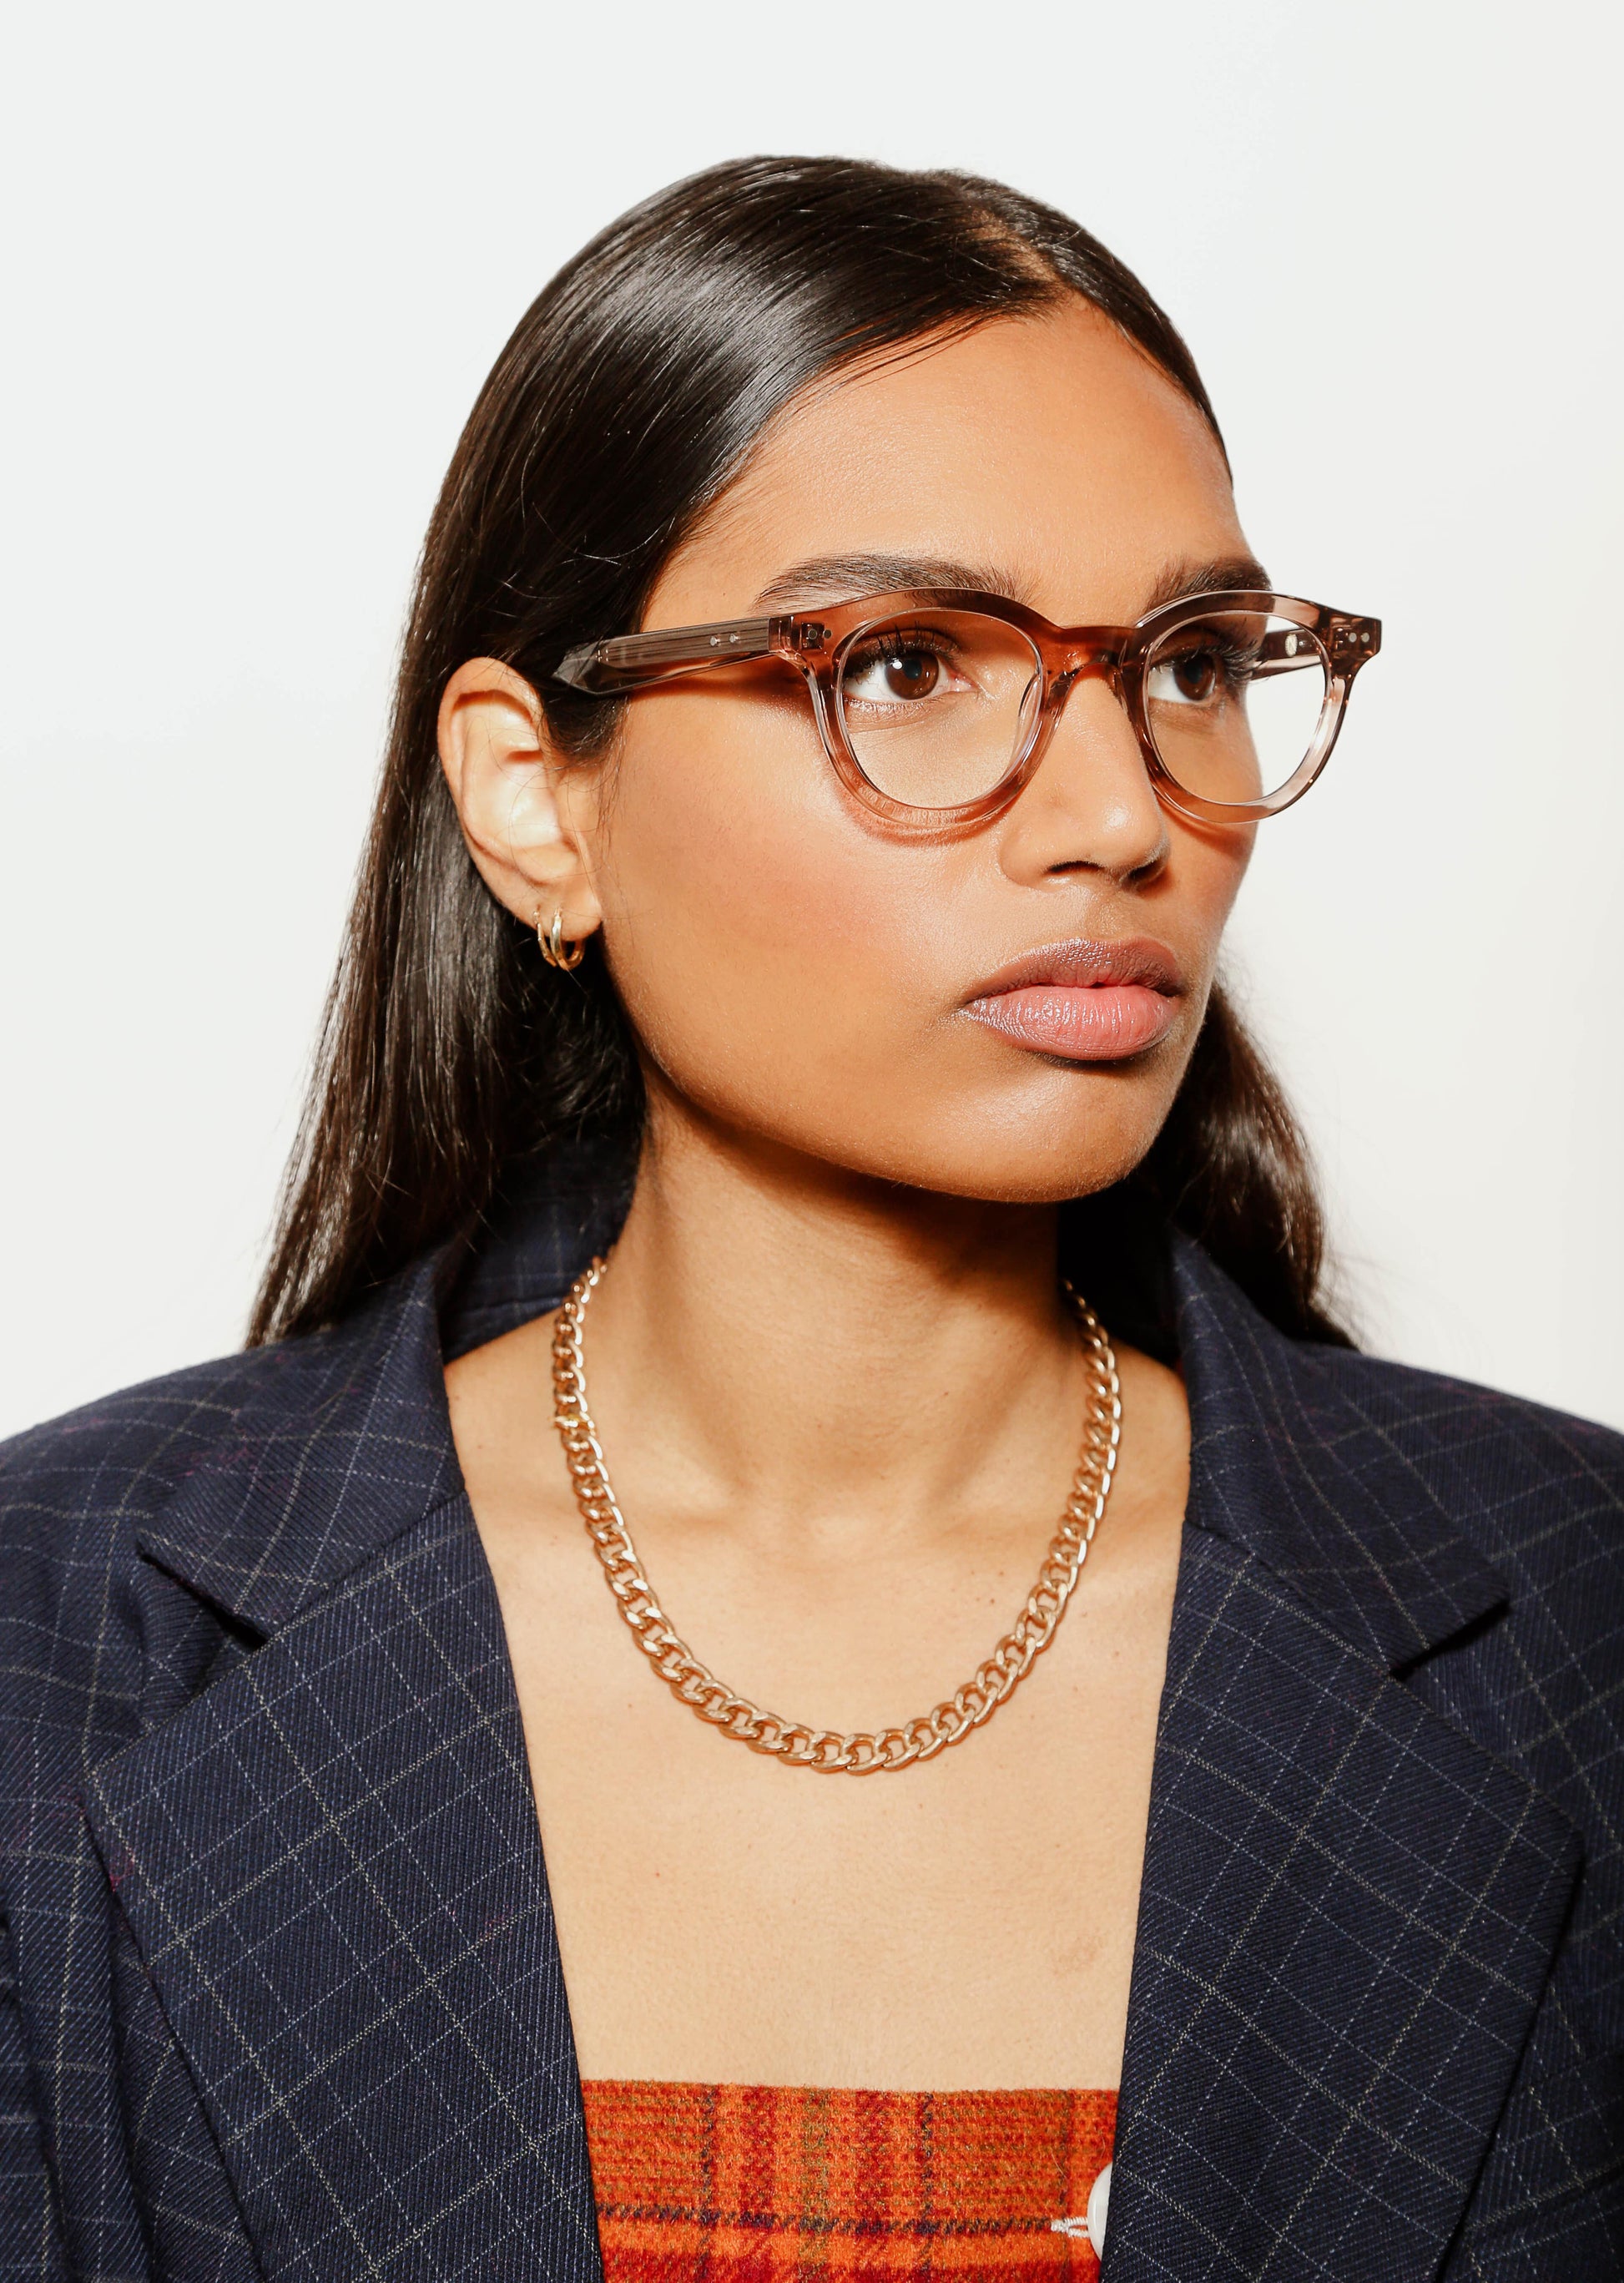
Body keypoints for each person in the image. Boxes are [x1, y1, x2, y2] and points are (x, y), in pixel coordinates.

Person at [2, 157, 1619, 2283]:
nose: (1123, 814)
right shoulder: (55, 1637)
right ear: (534, 799)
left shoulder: (1573, 1618)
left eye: (1194, 661)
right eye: (911, 662)